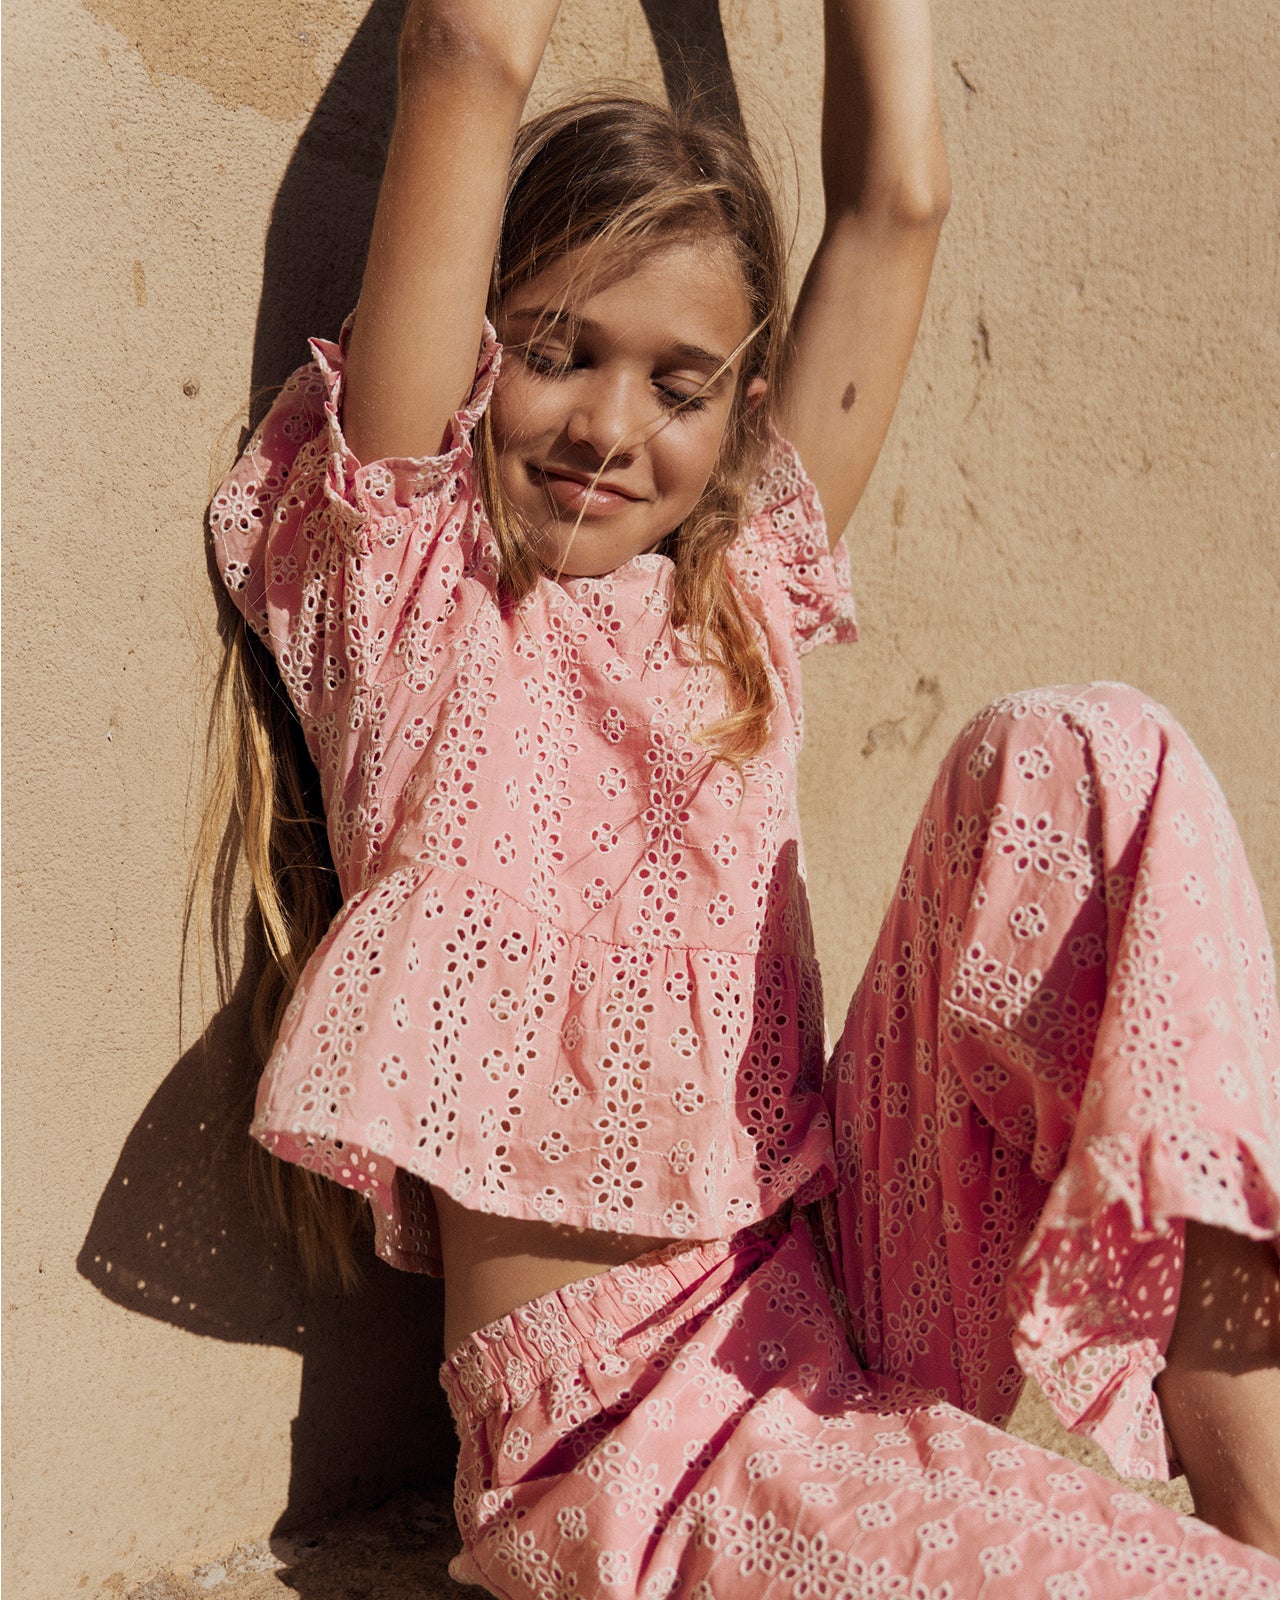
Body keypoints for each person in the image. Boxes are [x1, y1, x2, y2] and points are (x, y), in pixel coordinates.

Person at [207, 0, 1280, 1591]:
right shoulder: (415, 597)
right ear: (481, 350)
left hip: (843, 1292)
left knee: (1091, 749)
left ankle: (1265, 1492)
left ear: (736, 408)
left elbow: (897, 202)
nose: (608, 426)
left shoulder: (740, 599)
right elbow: (467, 51)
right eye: (557, 353)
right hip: (628, 1451)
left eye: (679, 385)